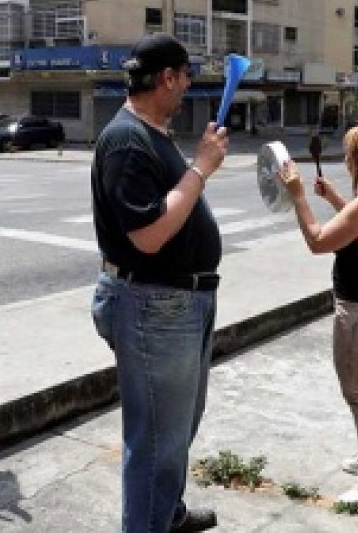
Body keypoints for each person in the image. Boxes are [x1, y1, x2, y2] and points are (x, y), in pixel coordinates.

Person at [90, 33, 228, 533]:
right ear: (167, 77)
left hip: (177, 302)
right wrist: (202, 169)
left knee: (176, 426)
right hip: (154, 304)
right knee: (155, 438)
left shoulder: (150, 133)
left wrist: (195, 168)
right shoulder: (127, 140)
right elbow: (148, 235)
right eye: (187, 74)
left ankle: (164, 513)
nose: (189, 84)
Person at [278, 122, 358, 505]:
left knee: (357, 392)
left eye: (350, 154)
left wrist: (298, 195)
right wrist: (336, 199)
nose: (347, 160)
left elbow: (319, 241)